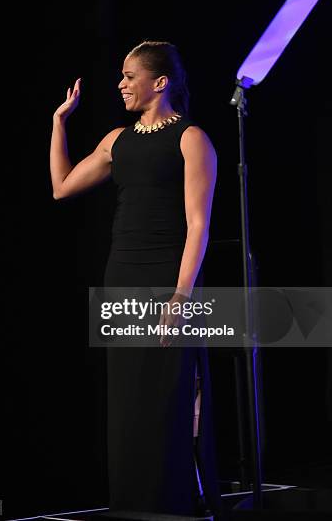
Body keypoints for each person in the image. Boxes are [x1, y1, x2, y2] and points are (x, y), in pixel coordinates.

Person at [50, 40, 220, 516]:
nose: (121, 84)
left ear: (159, 82)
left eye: (129, 75)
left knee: (167, 395)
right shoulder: (116, 139)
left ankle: (174, 501)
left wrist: (182, 296)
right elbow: (62, 188)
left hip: (168, 276)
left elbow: (198, 224)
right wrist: (59, 122)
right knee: (127, 402)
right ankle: (131, 503)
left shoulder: (190, 137)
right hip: (121, 274)